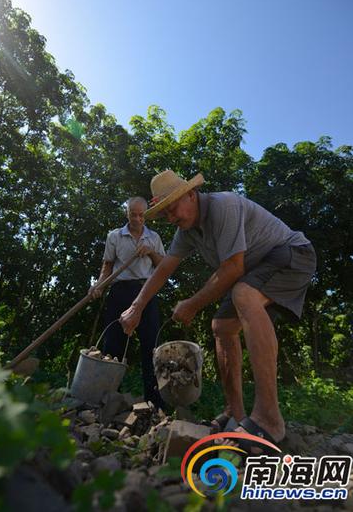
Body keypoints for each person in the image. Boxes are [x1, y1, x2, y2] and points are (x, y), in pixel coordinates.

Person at [119, 171, 316, 451]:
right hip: (256, 269)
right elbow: (164, 268)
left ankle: (270, 419)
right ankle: (235, 413)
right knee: (222, 326)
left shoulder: (224, 206)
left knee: (243, 293)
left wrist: (191, 304)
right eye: (164, 215)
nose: (171, 218)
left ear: (190, 194)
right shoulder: (186, 231)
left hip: (293, 253)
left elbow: (233, 268)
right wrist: (136, 307)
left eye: (172, 208)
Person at [88, 196, 165, 409]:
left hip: (146, 292)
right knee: (113, 345)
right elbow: (107, 266)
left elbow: (164, 266)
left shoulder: (154, 238)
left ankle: (154, 403)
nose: (138, 219)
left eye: (142, 215)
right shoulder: (115, 236)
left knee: (151, 346)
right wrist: (99, 285)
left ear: (146, 215)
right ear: (127, 213)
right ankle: (107, 400)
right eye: (134, 214)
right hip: (120, 292)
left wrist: (150, 252)